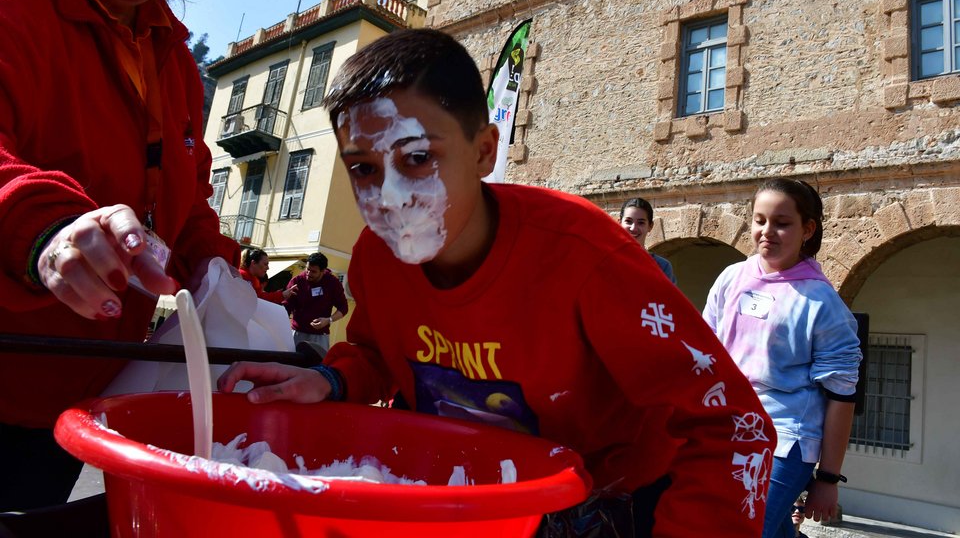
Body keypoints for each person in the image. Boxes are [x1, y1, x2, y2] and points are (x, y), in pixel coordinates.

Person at [218, 29, 776, 537]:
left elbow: (734, 425)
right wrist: (331, 382)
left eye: (416, 158)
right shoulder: (375, 258)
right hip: (461, 499)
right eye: (362, 168)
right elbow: (376, 350)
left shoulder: (588, 257)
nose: (386, 197)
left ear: (485, 150)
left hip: (611, 503)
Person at [0, 0, 238, 512]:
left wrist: (225, 277)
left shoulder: (176, 60)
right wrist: (46, 228)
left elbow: (187, 208)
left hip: (78, 401)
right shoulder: (13, 2)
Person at [703, 178, 862, 538]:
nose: (767, 232)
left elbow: (841, 397)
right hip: (724, 427)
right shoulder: (731, 278)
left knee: (745, 530)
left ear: (808, 229)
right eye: (760, 220)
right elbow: (705, 355)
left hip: (785, 441)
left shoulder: (822, 303)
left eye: (782, 223)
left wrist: (827, 479)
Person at [284, 252, 348, 358]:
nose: (308, 273)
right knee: (292, 366)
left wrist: (328, 320)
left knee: (317, 369)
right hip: (297, 333)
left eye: (313, 271)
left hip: (320, 336)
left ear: (323, 271)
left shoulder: (333, 283)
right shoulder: (297, 281)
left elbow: (343, 308)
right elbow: (286, 306)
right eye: (307, 269)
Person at [619, 198, 677, 284]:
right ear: (619, 223)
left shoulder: (662, 266)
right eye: (628, 221)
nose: (633, 228)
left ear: (650, 226)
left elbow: (667, 297)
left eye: (641, 222)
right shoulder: (606, 261)